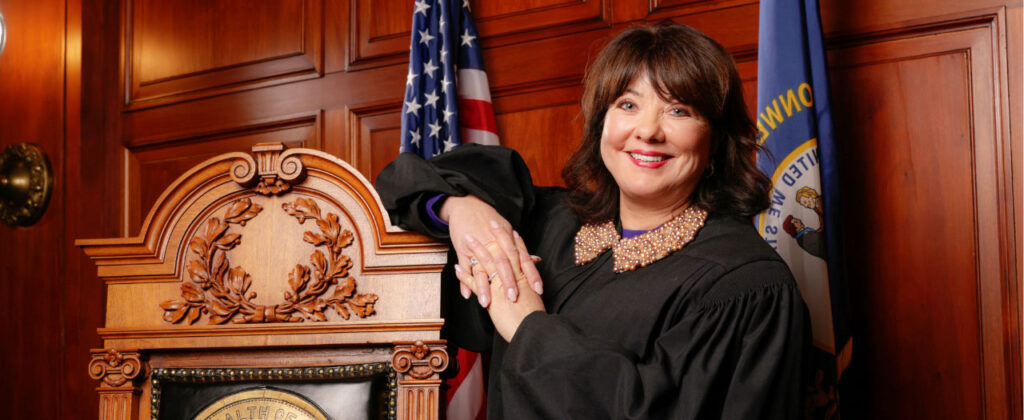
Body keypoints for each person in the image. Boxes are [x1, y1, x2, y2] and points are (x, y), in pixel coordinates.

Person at [377, 22, 808, 419]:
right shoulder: (548, 222)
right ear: (602, 124)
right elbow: (402, 182)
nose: (647, 131)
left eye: (679, 111)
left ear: (716, 139)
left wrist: (529, 328)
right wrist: (463, 211)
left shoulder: (745, 284)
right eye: (628, 104)